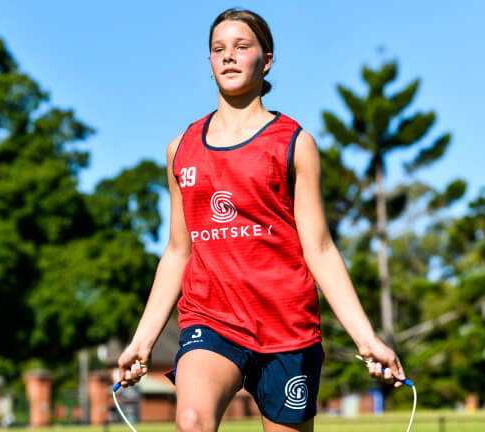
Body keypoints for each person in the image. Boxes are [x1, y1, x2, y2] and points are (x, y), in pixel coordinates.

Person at [116, 8, 407, 432]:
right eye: (219, 49)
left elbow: (320, 249)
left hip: (287, 329)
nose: (229, 57)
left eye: (241, 47)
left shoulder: (294, 143)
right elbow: (179, 252)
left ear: (266, 60)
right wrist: (141, 342)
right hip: (211, 319)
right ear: (210, 62)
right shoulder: (181, 149)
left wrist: (367, 339)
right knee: (192, 421)